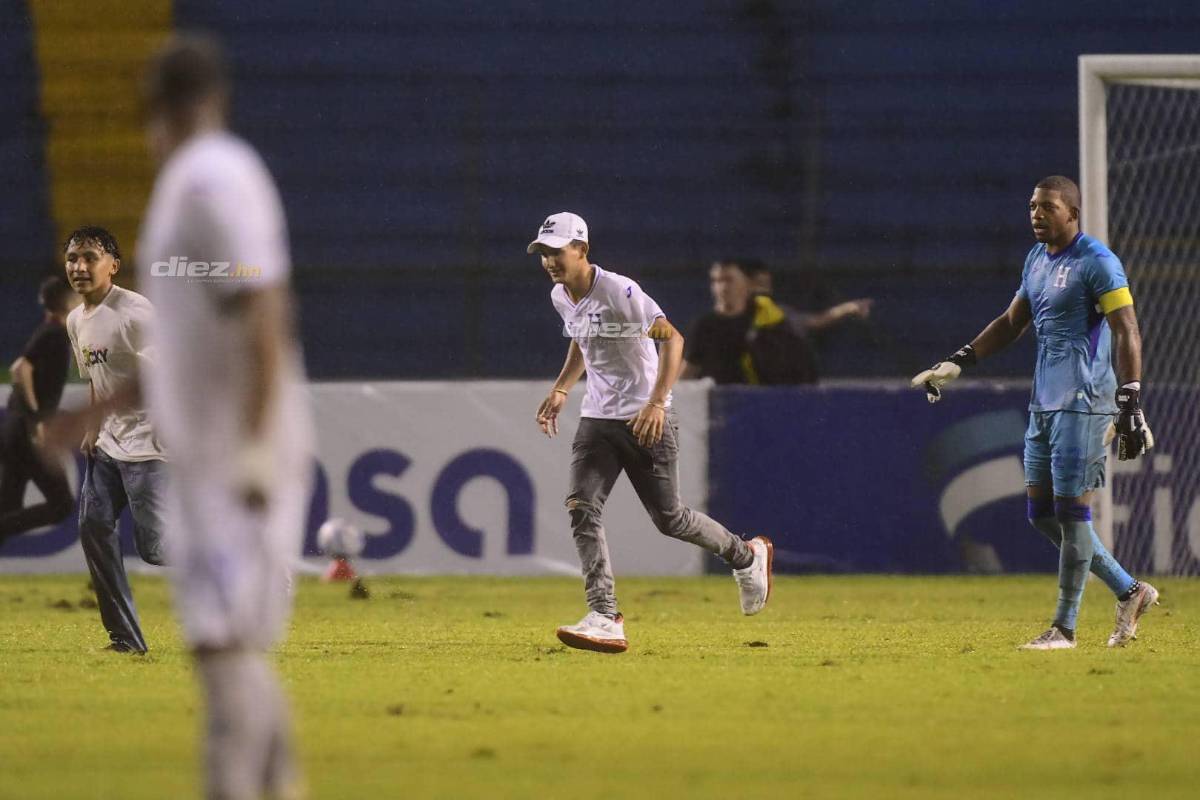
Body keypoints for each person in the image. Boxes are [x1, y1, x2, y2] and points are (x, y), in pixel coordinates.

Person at [47, 35, 312, 799]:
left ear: (162, 108)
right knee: (222, 652)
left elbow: (262, 306)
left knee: (225, 649)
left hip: (229, 449)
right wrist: (89, 416)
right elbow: (195, 342)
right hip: (205, 446)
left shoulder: (206, 183)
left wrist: (257, 446)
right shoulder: (199, 183)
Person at [911, 175, 1157, 650]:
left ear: (1072, 213)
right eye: (1031, 207)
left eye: (1047, 207)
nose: (1036, 215)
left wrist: (1129, 398)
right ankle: (1130, 590)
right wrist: (958, 361)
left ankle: (1063, 629)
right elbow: (1010, 323)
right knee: (1041, 513)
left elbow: (1127, 330)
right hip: (1045, 400)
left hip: (1084, 402)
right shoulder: (1035, 261)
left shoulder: (1098, 262)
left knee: (1071, 514)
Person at [530, 212, 772, 654]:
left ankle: (745, 554)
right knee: (581, 507)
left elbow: (673, 339)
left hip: (646, 417)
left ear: (582, 249)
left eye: (557, 251)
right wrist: (563, 387)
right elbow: (581, 339)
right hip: (598, 419)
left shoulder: (620, 291)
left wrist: (658, 402)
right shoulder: (561, 296)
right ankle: (605, 615)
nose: (549, 260)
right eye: (543, 252)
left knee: (670, 519)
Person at [63, 226, 168, 654]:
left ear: (113, 265)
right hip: (107, 445)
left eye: (90, 257)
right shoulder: (76, 319)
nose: (79, 267)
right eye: (72, 258)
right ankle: (125, 640)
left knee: (157, 550)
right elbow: (96, 379)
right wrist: (92, 427)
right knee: (93, 526)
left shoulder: (136, 314)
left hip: (149, 445)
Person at [681, 258, 872, 384]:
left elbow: (815, 321)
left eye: (728, 280)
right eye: (717, 281)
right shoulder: (705, 325)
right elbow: (688, 370)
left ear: (747, 285)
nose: (722, 287)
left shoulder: (771, 315)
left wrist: (848, 309)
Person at [0, 276, 79, 542]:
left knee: (8, 510)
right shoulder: (54, 334)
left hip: (15, 427)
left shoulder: (51, 332)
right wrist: (38, 419)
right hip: (27, 430)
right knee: (62, 505)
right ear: (67, 301)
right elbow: (20, 369)